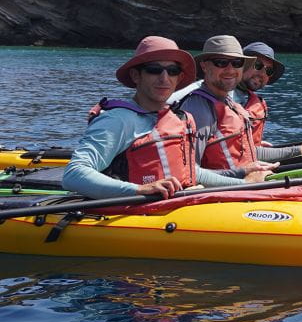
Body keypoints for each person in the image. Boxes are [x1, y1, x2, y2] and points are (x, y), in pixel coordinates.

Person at [62, 36, 264, 199]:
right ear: (135, 76)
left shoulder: (178, 118)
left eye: (172, 71)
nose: (164, 78)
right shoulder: (117, 120)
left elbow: (192, 172)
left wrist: (243, 184)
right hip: (137, 218)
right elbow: (73, 174)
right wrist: (139, 189)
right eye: (154, 70)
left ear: (178, 78)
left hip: (178, 209)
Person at [177, 35, 278, 172]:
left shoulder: (229, 104)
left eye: (237, 63)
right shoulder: (198, 110)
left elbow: (245, 154)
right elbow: (189, 172)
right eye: (221, 62)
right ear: (204, 66)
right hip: (225, 189)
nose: (230, 70)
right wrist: (243, 177)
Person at [236, 41, 302, 158]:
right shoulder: (225, 99)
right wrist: (301, 149)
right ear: (241, 64)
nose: (262, 73)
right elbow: (239, 153)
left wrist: (255, 144)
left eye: (269, 71)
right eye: (258, 65)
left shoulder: (246, 99)